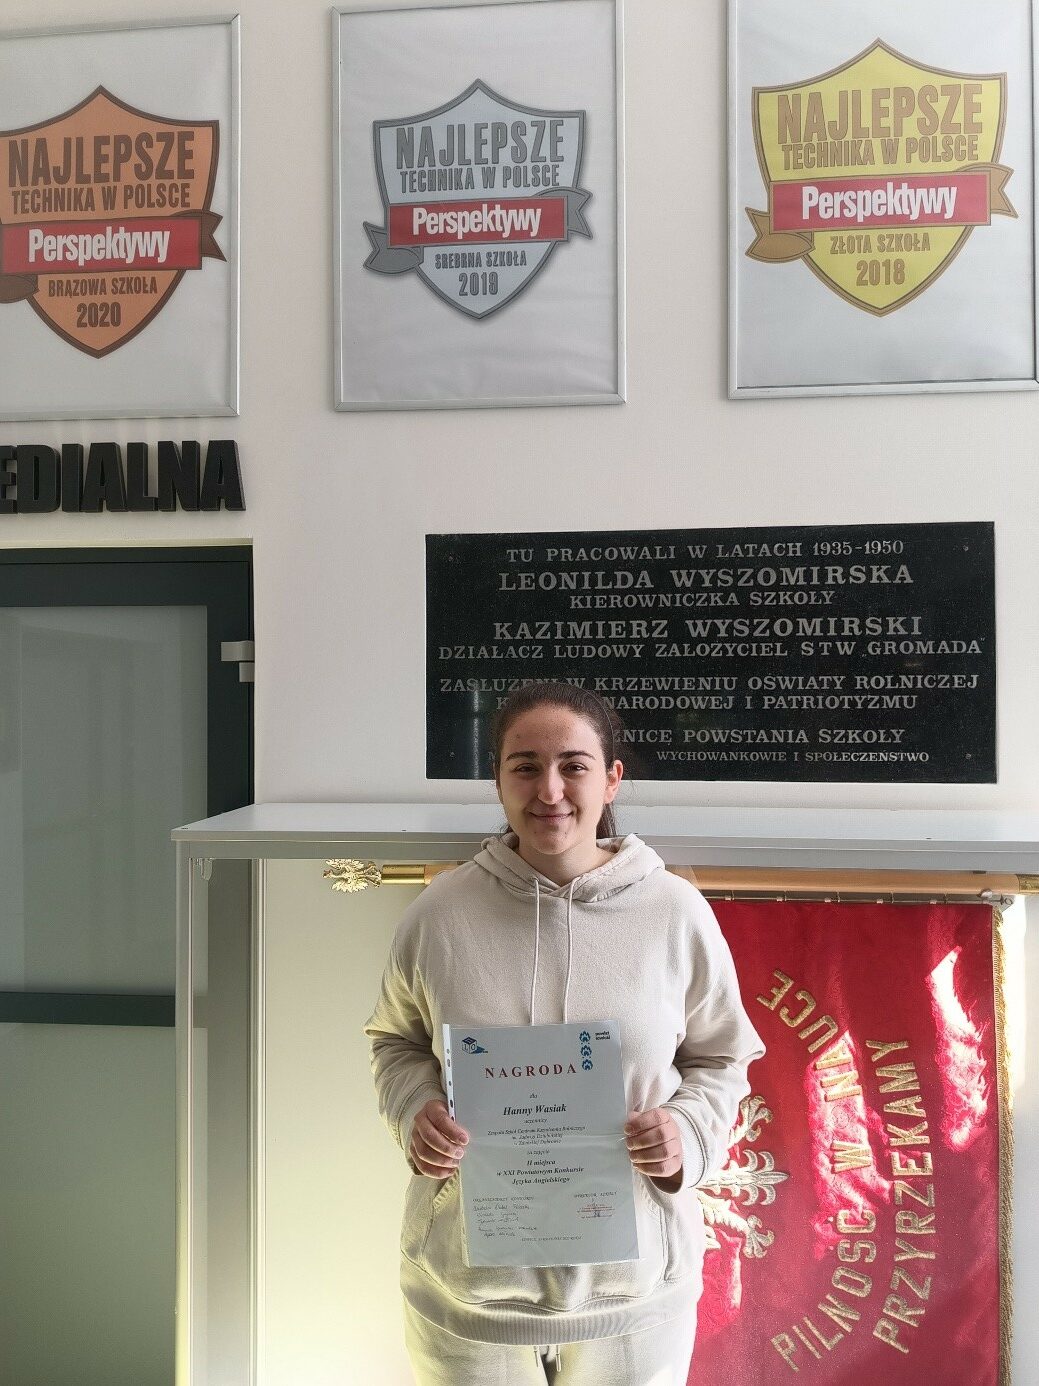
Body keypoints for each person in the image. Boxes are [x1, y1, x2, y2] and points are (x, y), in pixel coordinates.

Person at [364, 681, 764, 1385]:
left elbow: (722, 1055)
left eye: (573, 766)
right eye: (525, 766)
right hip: (468, 1292)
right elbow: (395, 1041)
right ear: (497, 780)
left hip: (633, 1293)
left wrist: (685, 1133)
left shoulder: (674, 913)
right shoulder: (438, 914)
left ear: (611, 780)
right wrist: (413, 1110)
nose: (549, 791)